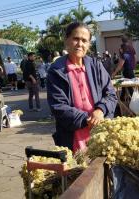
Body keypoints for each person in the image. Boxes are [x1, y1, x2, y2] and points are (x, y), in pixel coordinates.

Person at [47, 22, 117, 153]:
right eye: (76, 39)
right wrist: (89, 119)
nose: (80, 44)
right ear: (66, 40)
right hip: (73, 139)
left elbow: (111, 94)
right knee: (79, 172)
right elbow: (58, 106)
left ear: (89, 44)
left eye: (84, 40)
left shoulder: (96, 66)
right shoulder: (56, 71)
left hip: (101, 136)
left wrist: (100, 110)